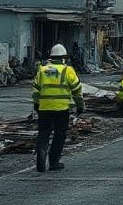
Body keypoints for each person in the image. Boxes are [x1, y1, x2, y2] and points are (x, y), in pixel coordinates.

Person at [31, 43, 84, 172]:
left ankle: (41, 155)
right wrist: (80, 106)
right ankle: (54, 161)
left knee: (43, 133)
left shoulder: (42, 70)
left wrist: (36, 104)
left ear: (51, 57)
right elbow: (77, 90)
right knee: (59, 135)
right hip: (62, 109)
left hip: (44, 107)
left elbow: (36, 90)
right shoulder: (67, 70)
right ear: (64, 57)